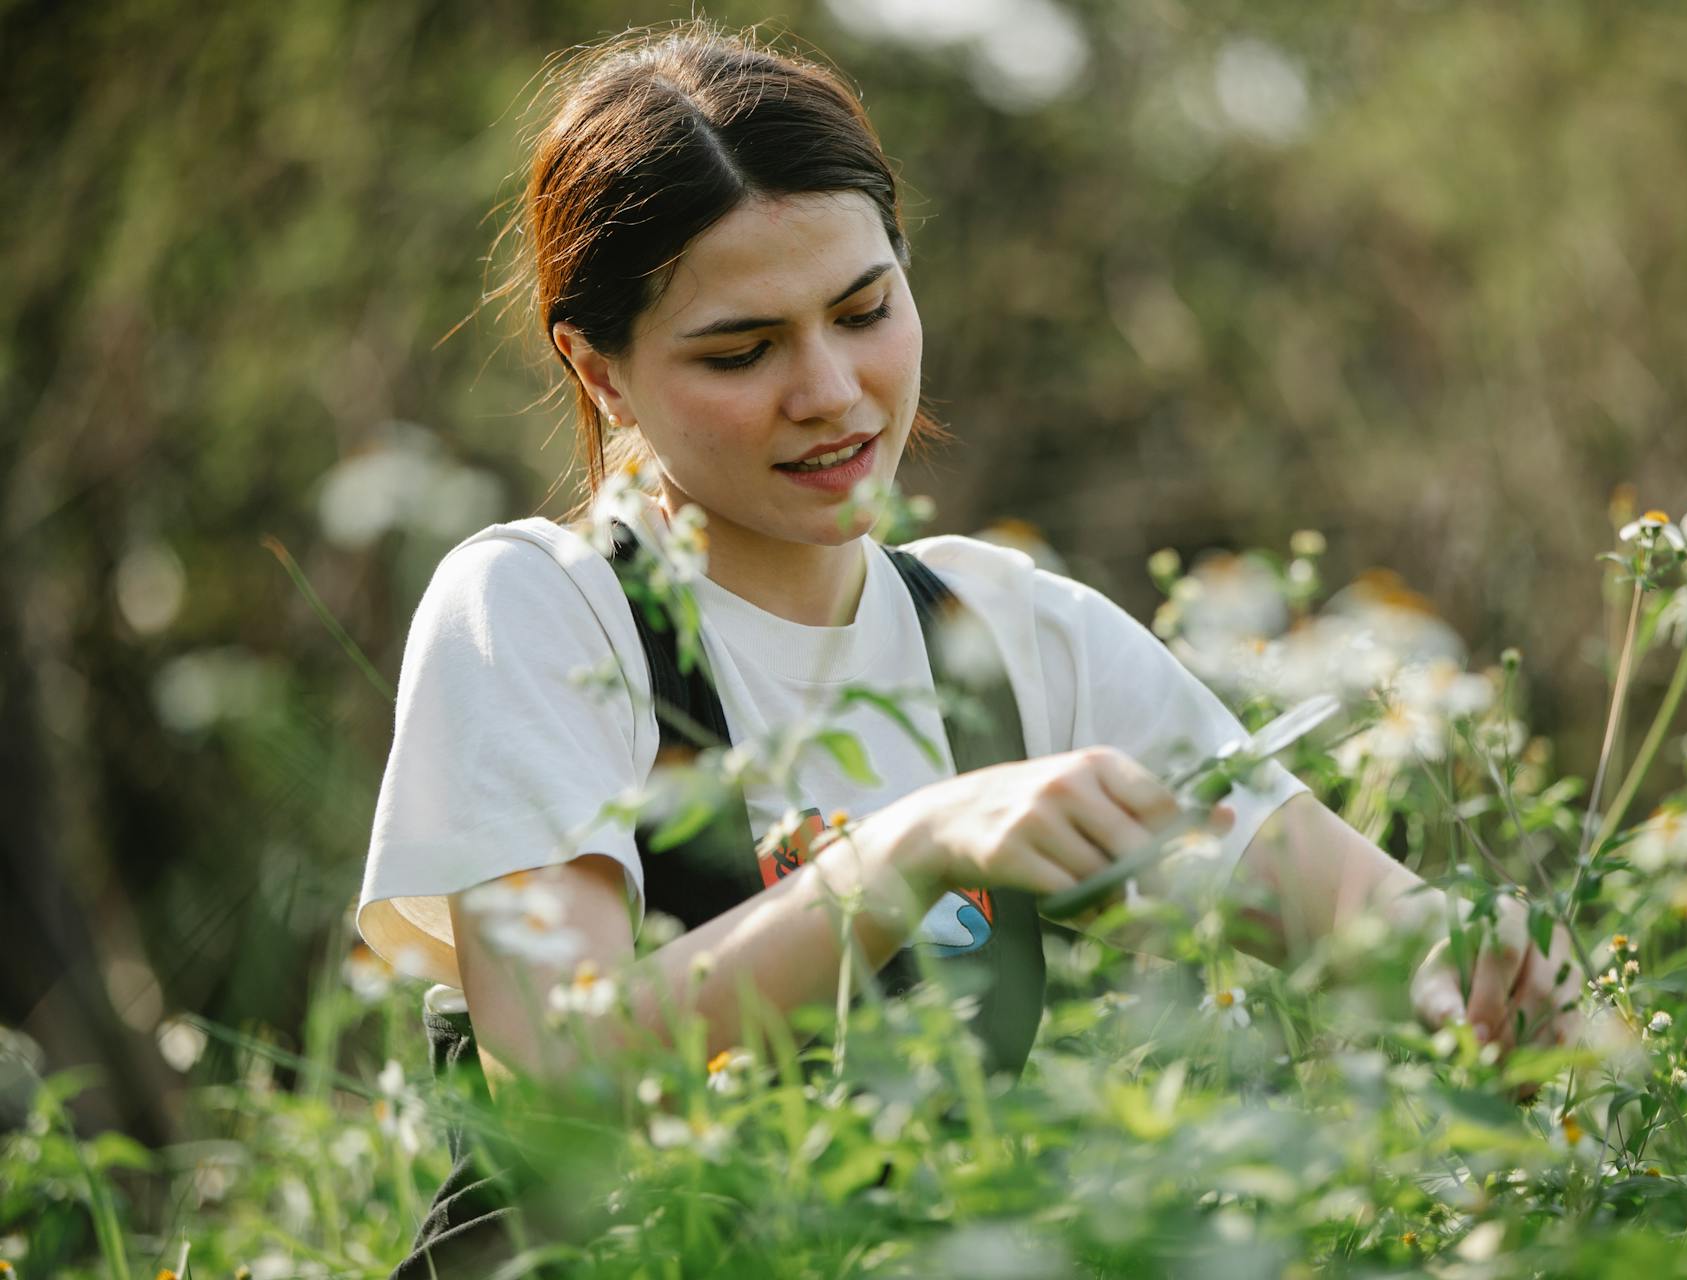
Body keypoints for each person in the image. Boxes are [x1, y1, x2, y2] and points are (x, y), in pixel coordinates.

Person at [355, 20, 1579, 1271]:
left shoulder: (1003, 636)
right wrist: (908, 851)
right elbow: (561, 1082)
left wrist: (1466, 967)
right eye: (743, 349)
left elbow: (1360, 912)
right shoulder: (537, 615)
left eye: (863, 308)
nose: (830, 388)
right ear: (599, 371)